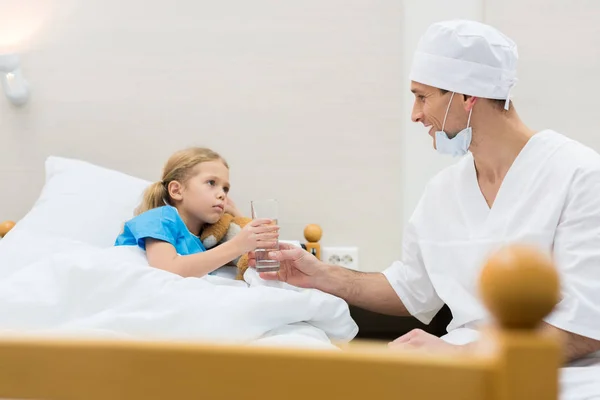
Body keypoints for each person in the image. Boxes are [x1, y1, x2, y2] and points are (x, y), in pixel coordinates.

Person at [252, 20, 600, 369]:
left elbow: (585, 326)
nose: (416, 115)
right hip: (457, 370)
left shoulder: (580, 176)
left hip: (561, 374)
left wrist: (464, 355)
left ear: (467, 96)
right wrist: (321, 275)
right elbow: (412, 289)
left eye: (422, 97)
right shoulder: (445, 191)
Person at [115, 147, 279, 278]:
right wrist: (237, 245)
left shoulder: (201, 240)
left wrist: (236, 214)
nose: (222, 194)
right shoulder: (160, 218)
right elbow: (168, 270)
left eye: (225, 188)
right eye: (211, 182)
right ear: (176, 190)